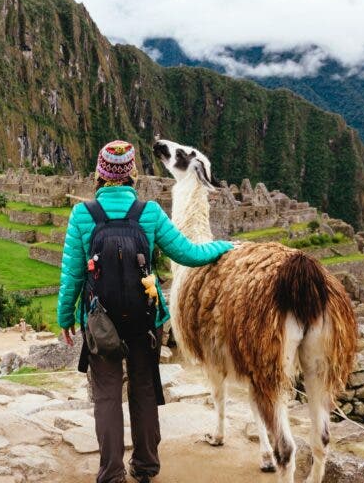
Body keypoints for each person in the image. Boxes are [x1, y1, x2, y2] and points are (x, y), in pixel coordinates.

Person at [57, 140, 234, 483]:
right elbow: (191, 254)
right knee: (143, 390)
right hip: (143, 320)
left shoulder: (83, 215)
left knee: (107, 395)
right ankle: (146, 466)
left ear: (100, 172)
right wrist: (226, 246)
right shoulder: (149, 212)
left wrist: (66, 318)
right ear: (132, 173)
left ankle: (111, 473)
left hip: (99, 322)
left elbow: (72, 276)